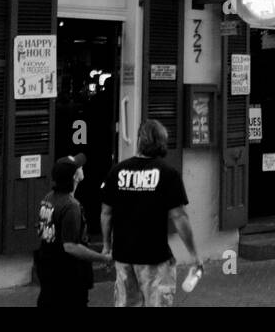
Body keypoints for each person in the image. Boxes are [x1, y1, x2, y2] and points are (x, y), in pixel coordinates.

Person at [101, 120, 198, 307]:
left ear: (139, 141)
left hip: (123, 256)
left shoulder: (117, 171)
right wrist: (194, 254)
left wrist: (106, 246)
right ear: (162, 142)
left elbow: (106, 213)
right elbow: (179, 217)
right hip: (154, 257)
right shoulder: (168, 174)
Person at [35, 153, 111, 307]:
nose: (82, 167)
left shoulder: (48, 198)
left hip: (48, 267)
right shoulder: (71, 206)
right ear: (75, 176)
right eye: (79, 167)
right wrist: (103, 258)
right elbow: (70, 246)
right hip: (67, 274)